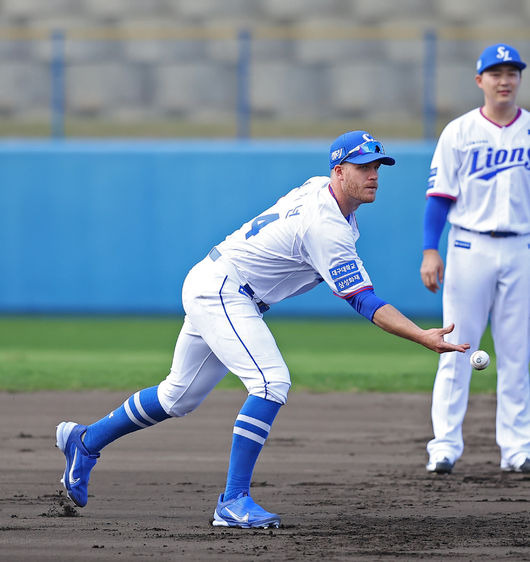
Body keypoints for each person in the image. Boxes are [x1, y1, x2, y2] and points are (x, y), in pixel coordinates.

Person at [56, 130, 470, 529]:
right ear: (339, 172)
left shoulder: (317, 189)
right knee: (271, 382)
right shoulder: (326, 227)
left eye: (378, 165)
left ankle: (85, 441)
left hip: (214, 279)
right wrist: (421, 335)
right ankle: (233, 501)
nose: (374, 174)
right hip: (225, 290)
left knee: (177, 396)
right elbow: (364, 302)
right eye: (362, 166)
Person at [420, 43, 530, 475]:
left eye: (512, 72)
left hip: (521, 247)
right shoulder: (459, 132)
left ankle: (518, 447)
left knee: (518, 353)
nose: (505, 80)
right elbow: (439, 198)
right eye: (496, 72)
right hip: (468, 246)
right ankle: (443, 446)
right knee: (455, 346)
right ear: (480, 80)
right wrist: (431, 248)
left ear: (519, 79)